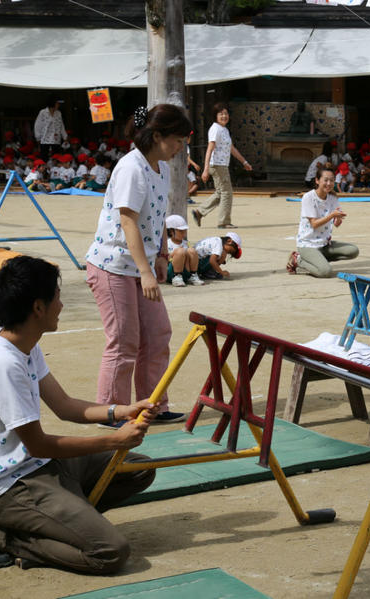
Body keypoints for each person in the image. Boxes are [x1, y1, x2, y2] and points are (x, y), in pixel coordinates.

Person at [0, 255, 158, 572]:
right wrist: (113, 441)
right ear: (38, 307)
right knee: (110, 551)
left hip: (33, 465)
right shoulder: (2, 364)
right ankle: (5, 535)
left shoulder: (23, 342)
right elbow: (40, 445)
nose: (61, 305)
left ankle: (58, 520)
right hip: (5, 484)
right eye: (57, 297)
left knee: (139, 469)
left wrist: (121, 410)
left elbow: (63, 405)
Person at [85, 104, 192, 425]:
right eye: (176, 141)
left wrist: (160, 255)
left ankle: (152, 406)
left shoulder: (163, 168)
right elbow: (128, 221)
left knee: (158, 333)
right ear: (157, 136)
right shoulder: (131, 167)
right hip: (113, 265)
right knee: (124, 341)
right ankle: (111, 411)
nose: (179, 148)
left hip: (141, 266)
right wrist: (146, 271)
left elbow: (158, 216)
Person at [286, 166, 359, 277]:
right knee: (325, 272)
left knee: (353, 251)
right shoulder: (308, 197)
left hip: (324, 244)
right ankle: (299, 260)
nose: (329, 183)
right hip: (308, 245)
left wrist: (338, 218)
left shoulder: (333, 198)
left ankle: (319, 260)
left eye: (331, 180)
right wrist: (331, 215)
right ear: (317, 180)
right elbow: (314, 224)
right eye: (325, 180)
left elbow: (336, 224)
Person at [192, 102, 252, 229]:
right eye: (221, 114)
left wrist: (244, 162)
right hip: (217, 165)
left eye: (226, 113)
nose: (224, 116)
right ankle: (224, 222)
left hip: (222, 165)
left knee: (221, 193)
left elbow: (232, 148)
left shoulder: (224, 130)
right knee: (227, 193)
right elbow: (209, 149)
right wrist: (206, 168)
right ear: (216, 116)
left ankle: (199, 212)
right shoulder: (215, 129)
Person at [164, 214, 203, 287]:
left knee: (192, 250)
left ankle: (193, 275)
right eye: (180, 231)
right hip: (171, 272)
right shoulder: (166, 244)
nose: (184, 233)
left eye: (184, 231)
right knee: (180, 251)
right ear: (171, 231)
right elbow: (164, 260)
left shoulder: (186, 243)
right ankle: (177, 276)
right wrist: (176, 254)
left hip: (185, 270)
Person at [34, 96, 67, 161]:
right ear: (53, 103)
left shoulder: (58, 113)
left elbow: (61, 125)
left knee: (56, 159)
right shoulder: (43, 112)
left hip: (56, 140)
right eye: (57, 103)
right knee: (44, 159)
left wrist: (65, 137)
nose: (59, 105)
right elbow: (37, 126)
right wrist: (38, 138)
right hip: (45, 139)